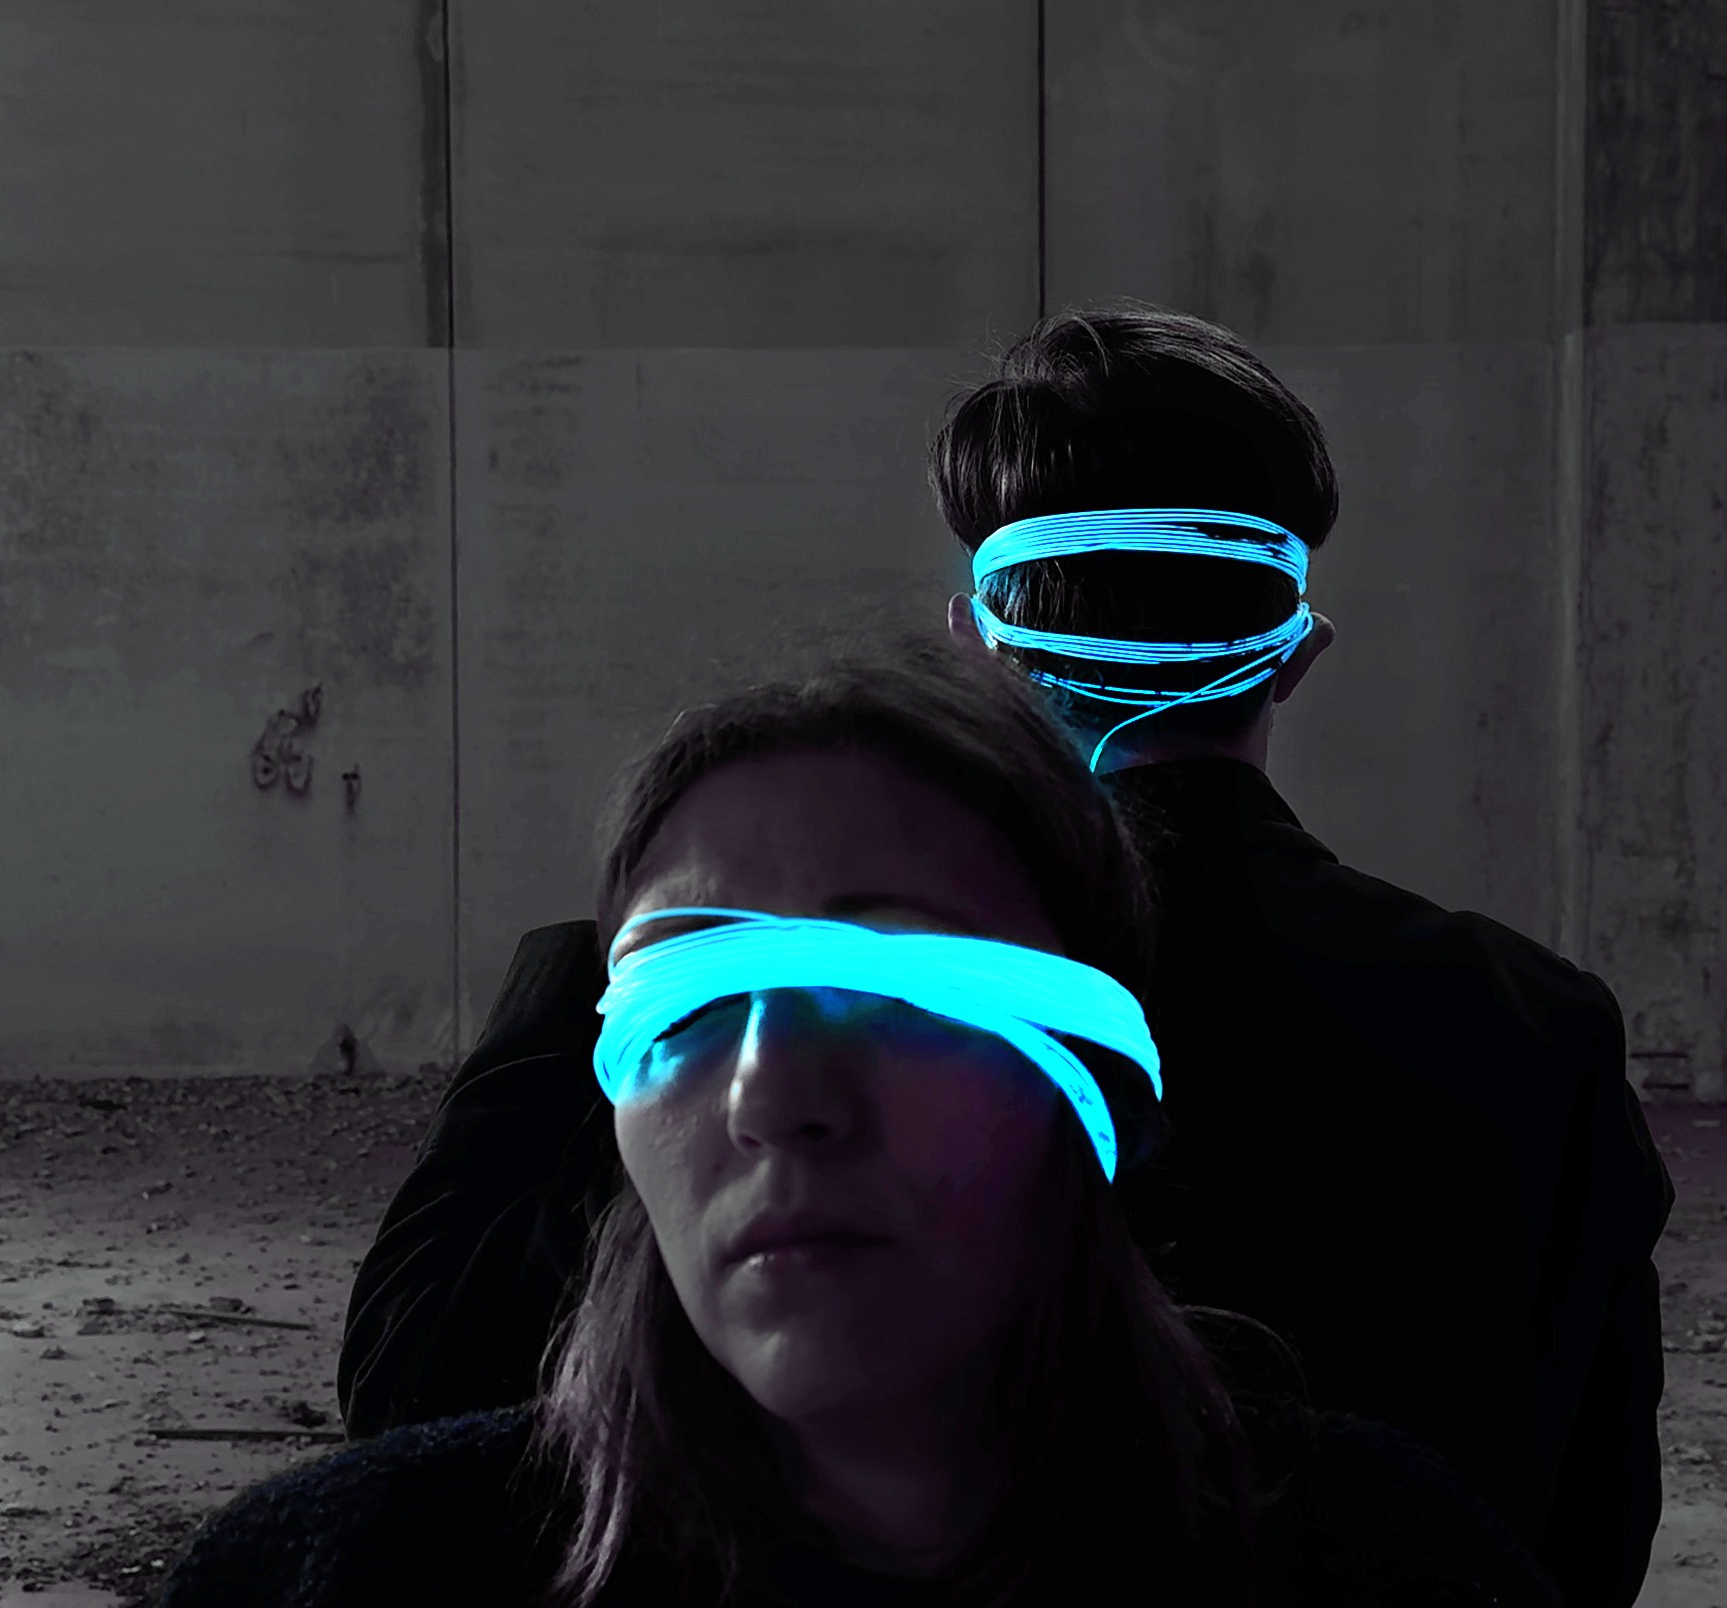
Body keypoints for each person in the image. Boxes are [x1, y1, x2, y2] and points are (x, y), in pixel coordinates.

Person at [336, 304, 1674, 1604]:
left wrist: (625, 961)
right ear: (1297, 654)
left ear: (977, 646)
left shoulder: (740, 1011)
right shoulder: (1532, 1025)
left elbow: (414, 1382)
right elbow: (1583, 1532)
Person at [163, 639, 1555, 1606]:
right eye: (689, 997)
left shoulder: (1390, 1569)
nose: (774, 1097)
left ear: (1104, 1086)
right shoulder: (350, 1576)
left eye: (902, 990)